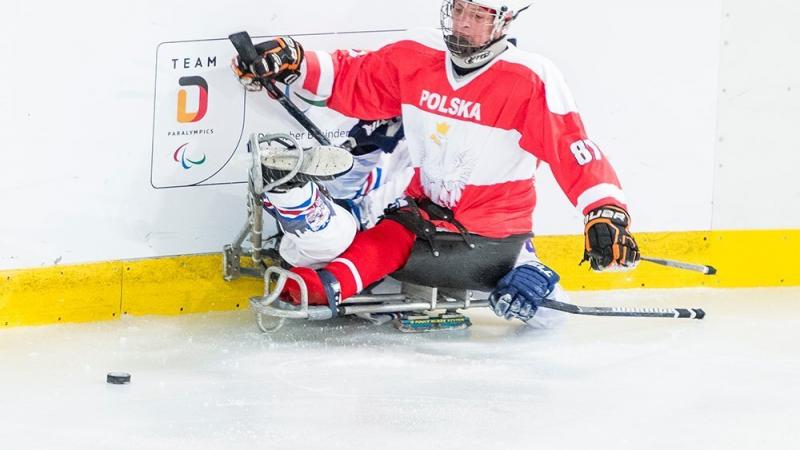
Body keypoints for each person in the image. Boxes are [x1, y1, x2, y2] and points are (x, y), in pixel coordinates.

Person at [231, 0, 640, 323]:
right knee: (366, 251)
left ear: (505, 20)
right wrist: (296, 62)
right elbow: (358, 78)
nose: (463, 23)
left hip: (493, 239)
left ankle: (533, 275)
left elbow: (572, 148)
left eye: (478, 15)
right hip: (419, 219)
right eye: (459, 8)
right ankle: (317, 269)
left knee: (539, 308)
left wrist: (603, 211)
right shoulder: (419, 53)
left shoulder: (530, 78)